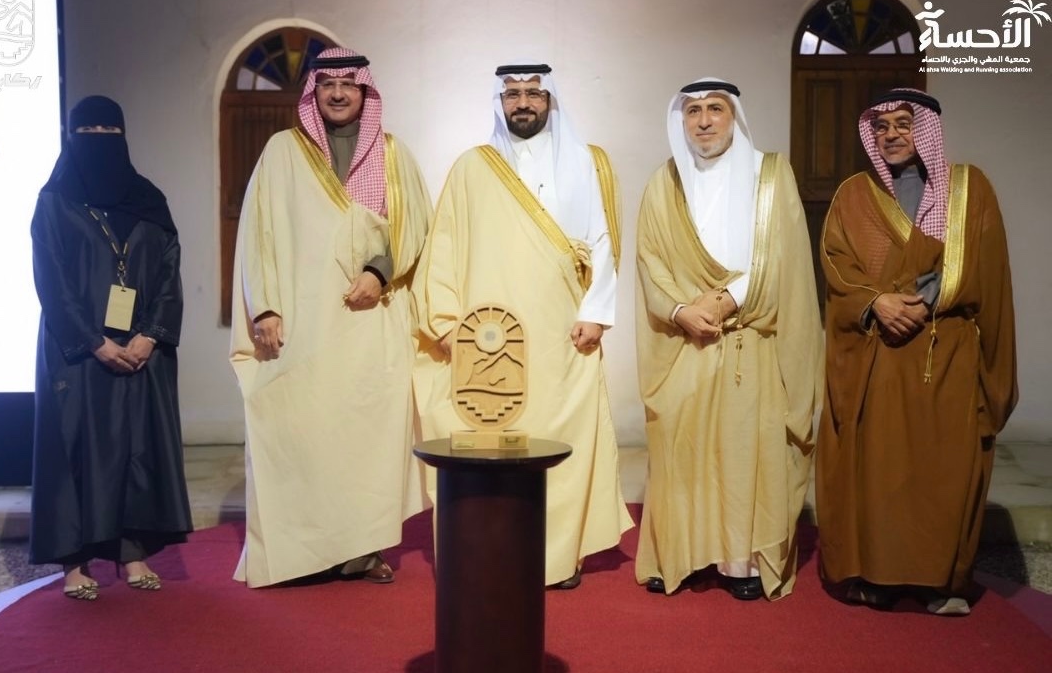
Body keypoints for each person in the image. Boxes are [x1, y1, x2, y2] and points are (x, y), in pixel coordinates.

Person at [413, 61, 633, 589]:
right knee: (491, 441)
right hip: (488, 340)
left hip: (564, 333)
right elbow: (443, 247)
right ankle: (489, 554)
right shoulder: (472, 167)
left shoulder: (589, 161)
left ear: (550, 99)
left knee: (559, 440)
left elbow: (604, 241)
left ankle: (557, 559)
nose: (524, 103)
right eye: (512, 94)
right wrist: (446, 324)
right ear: (500, 102)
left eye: (534, 93)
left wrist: (596, 313)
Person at [229, 48, 431, 588]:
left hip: (370, 322)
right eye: (327, 84)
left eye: (348, 83)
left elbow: (416, 227)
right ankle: (304, 553)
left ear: (365, 91)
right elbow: (258, 233)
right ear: (313, 92)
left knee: (367, 439)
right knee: (303, 433)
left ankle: (362, 550)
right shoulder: (282, 152)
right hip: (302, 324)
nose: (338, 93)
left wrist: (380, 273)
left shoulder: (392, 154)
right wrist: (265, 306)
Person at [816, 89, 1017, 615]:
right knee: (883, 471)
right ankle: (878, 576)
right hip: (880, 354)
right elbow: (837, 263)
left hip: (947, 354)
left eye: (904, 123)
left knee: (944, 471)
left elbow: (987, 267)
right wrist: (877, 301)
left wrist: (927, 299)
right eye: (881, 127)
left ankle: (941, 583)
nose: (891, 135)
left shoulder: (969, 190)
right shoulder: (854, 195)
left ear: (926, 129)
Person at [634, 79, 822, 600]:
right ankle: (680, 554)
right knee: (681, 452)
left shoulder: (770, 176)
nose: (704, 121)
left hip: (746, 337)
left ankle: (740, 563)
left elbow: (781, 255)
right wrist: (681, 311)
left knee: (742, 452)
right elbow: (649, 259)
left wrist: (726, 301)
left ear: (733, 116)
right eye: (693, 111)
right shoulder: (663, 183)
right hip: (685, 340)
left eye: (715, 109)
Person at [30, 95, 192, 600]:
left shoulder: (149, 199)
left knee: (137, 447)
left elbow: (169, 272)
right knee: (77, 447)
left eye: (109, 130)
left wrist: (150, 335)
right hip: (78, 351)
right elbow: (51, 280)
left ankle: (132, 552)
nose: (99, 140)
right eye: (89, 131)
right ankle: (74, 562)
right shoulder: (55, 201)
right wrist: (94, 341)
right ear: (71, 136)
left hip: (142, 348)